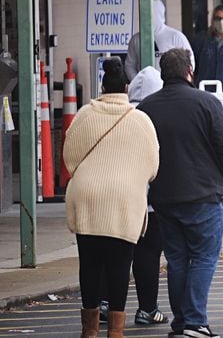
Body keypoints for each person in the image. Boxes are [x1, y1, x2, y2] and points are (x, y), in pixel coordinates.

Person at [138, 48, 223, 338]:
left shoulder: (147, 108)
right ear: (189, 71)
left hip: (164, 198)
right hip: (203, 195)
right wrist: (219, 178)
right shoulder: (206, 103)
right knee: (204, 258)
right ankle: (195, 322)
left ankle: (182, 322)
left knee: (177, 259)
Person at [64, 58, 159, 338]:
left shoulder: (84, 115)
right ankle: (115, 332)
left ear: (102, 87)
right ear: (126, 88)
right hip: (124, 201)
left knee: (90, 263)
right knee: (119, 266)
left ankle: (89, 330)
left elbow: (70, 158)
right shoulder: (141, 120)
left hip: (88, 198)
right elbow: (152, 167)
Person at [127, 66, 168, 326]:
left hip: (117, 197)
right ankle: (147, 308)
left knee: (114, 254)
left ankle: (107, 304)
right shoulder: (157, 114)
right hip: (149, 199)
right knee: (148, 252)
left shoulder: (119, 114)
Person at [125, 0, 195, 82]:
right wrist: (138, 82)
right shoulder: (136, 40)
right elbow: (129, 65)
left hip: (170, 88)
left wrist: (176, 83)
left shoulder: (176, 37)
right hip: (144, 90)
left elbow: (190, 62)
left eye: (152, 14)